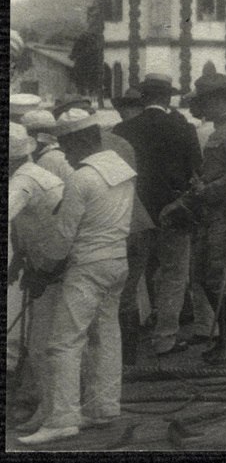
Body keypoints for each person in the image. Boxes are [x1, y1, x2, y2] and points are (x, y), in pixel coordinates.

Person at [18, 110, 136, 445]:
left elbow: (62, 239)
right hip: (117, 262)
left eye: (67, 146)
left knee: (63, 343)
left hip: (88, 267)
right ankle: (103, 407)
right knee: (106, 336)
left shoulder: (81, 178)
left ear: (80, 140)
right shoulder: (123, 170)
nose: (65, 155)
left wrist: (40, 269)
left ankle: (63, 418)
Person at [162, 73, 226, 363]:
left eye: (205, 102)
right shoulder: (222, 129)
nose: (201, 108)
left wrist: (207, 191)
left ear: (219, 100)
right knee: (209, 277)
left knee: (220, 277)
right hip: (218, 213)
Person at [113, 73, 202, 357]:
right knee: (174, 274)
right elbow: (195, 172)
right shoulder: (183, 128)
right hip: (174, 212)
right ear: (167, 97)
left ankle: (124, 344)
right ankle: (165, 338)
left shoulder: (123, 130)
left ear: (142, 96)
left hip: (135, 213)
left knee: (131, 277)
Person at [9, 123, 69, 434]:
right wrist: (19, 258)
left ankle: (52, 411)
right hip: (49, 264)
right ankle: (50, 405)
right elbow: (23, 222)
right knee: (46, 342)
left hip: (56, 267)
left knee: (42, 345)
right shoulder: (30, 174)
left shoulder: (24, 181)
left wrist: (39, 270)